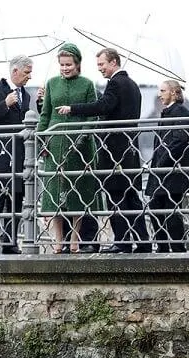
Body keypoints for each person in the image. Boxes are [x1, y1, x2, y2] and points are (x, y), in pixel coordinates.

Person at [56, 47, 151, 253]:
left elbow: (104, 106)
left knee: (116, 196)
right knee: (131, 197)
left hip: (114, 150)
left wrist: (73, 108)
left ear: (114, 62)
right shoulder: (133, 85)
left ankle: (122, 242)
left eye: (102, 64)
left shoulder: (115, 84)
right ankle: (143, 241)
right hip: (129, 149)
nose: (100, 69)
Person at [37, 43, 101, 254]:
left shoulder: (87, 84)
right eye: (62, 65)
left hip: (80, 146)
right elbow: (45, 115)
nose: (65, 68)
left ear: (78, 64)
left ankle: (74, 238)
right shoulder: (51, 83)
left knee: (78, 191)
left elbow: (92, 115)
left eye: (69, 64)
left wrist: (82, 136)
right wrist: (41, 139)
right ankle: (58, 240)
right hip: (55, 142)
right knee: (54, 193)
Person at [0, 55, 33, 255]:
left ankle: (9, 242)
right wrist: (4, 104)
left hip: (18, 155)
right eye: (27, 72)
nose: (29, 77)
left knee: (16, 199)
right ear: (15, 71)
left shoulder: (26, 95)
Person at [145, 80, 189, 252]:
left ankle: (177, 248)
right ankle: (164, 247)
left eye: (163, 90)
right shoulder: (169, 112)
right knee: (156, 208)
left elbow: (180, 140)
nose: (159, 94)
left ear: (173, 92)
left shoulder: (180, 111)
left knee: (170, 211)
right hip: (163, 171)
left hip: (172, 171)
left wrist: (162, 161)